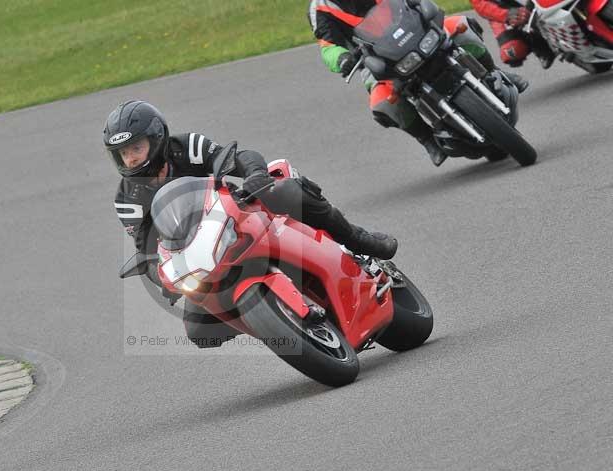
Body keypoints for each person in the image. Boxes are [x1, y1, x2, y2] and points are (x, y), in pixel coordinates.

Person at [107, 100, 397, 347]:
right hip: (200, 254)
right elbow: (147, 251)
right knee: (199, 332)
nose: (131, 158)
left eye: (136, 148)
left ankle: (357, 240)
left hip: (234, 214)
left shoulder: (185, 147)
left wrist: (255, 174)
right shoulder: (127, 200)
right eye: (124, 153)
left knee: (286, 189)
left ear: (156, 139)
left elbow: (238, 157)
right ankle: (280, 324)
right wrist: (166, 281)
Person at [308, 0, 530, 167]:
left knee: (461, 28)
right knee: (383, 101)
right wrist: (342, 58)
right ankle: (427, 139)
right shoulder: (320, 7)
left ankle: (496, 73)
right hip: (373, 58)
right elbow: (327, 45)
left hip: (416, 31)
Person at [469, 0, 556, 69]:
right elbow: (480, 4)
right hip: (508, 8)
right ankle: (542, 46)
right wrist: (507, 15)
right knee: (512, 50)